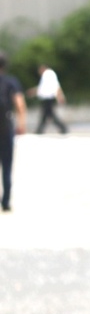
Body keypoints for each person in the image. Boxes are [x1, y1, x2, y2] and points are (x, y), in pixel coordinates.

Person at [0, 53, 27, 212]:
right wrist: (21, 124)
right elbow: (20, 104)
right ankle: (6, 200)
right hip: (5, 127)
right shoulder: (11, 81)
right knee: (7, 165)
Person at [30, 64, 68, 134]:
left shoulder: (49, 74)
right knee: (46, 115)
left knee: (49, 114)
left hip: (48, 97)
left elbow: (55, 85)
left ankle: (63, 128)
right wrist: (34, 91)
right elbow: (43, 87)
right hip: (46, 98)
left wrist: (60, 96)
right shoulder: (46, 75)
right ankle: (40, 130)